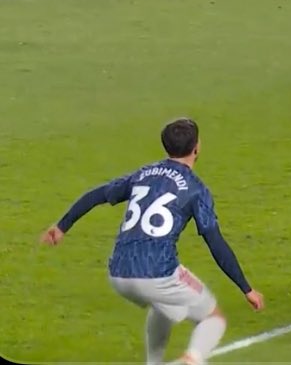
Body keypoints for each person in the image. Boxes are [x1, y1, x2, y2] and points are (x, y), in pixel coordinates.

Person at [40, 118, 265, 365]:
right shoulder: (196, 189)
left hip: (118, 272)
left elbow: (98, 194)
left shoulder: (143, 174)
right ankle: (192, 360)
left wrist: (61, 226)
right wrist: (246, 288)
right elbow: (215, 243)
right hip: (158, 273)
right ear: (197, 147)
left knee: (165, 306)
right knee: (213, 319)